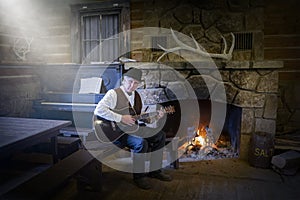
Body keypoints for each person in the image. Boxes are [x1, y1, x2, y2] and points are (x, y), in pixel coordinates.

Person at [94, 67, 172, 190]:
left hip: (132, 129)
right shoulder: (113, 94)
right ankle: (139, 177)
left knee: (160, 135)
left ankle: (155, 171)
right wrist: (120, 118)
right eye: (130, 81)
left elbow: (139, 118)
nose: (132, 85)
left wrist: (156, 116)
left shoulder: (137, 96)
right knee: (141, 143)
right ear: (124, 80)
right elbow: (99, 110)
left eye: (136, 83)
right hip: (116, 133)